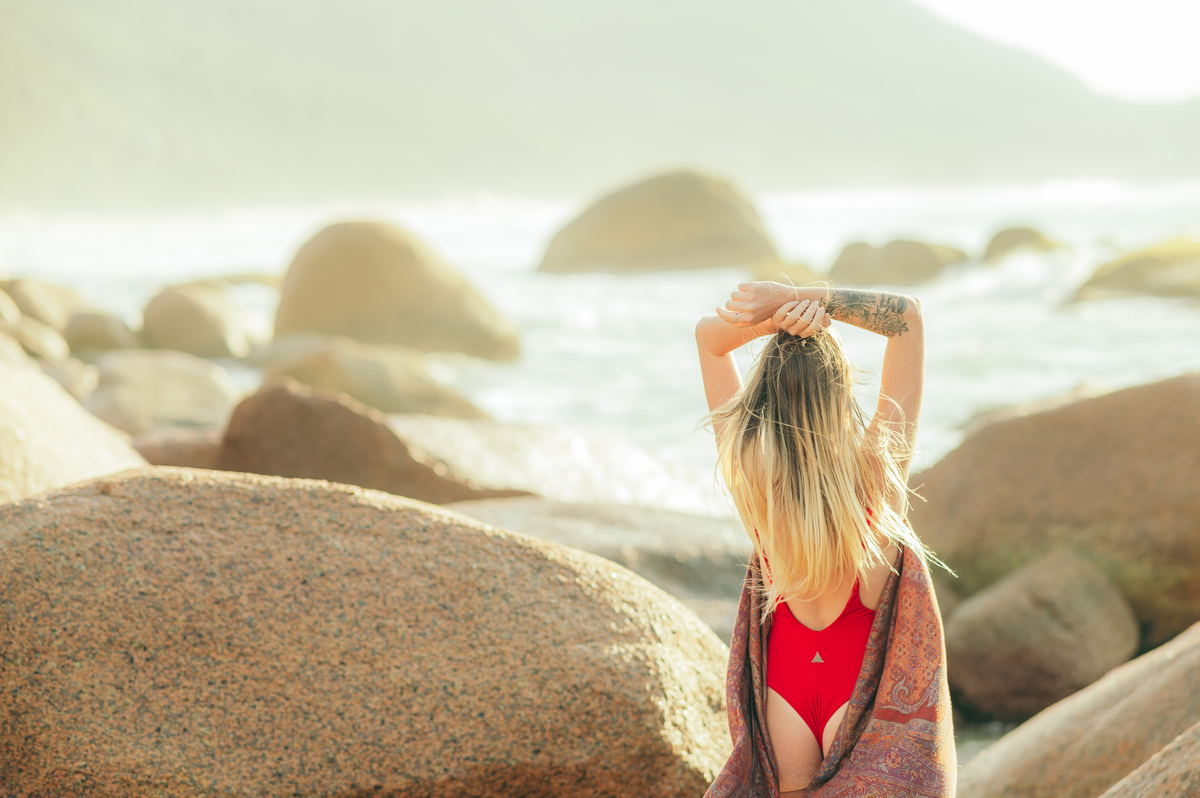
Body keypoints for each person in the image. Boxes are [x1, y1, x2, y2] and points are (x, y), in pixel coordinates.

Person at [695, 280, 936, 796]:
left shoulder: (749, 475)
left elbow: (708, 338)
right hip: (856, 677)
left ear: (761, 397)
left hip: (787, 681)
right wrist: (807, 299)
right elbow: (908, 318)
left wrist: (776, 315)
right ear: (842, 394)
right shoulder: (876, 478)